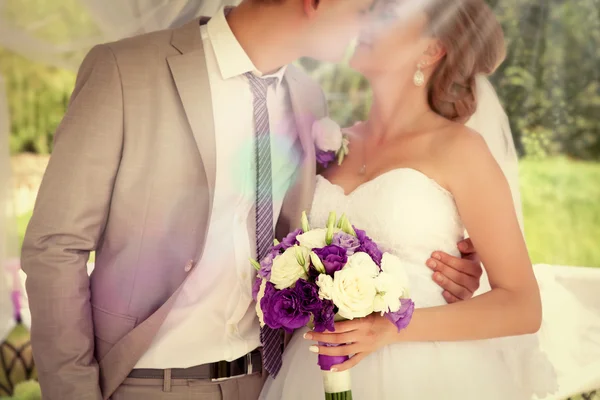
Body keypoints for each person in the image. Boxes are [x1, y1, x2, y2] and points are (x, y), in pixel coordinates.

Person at [21, 1, 484, 399]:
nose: (365, 22)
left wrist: (431, 265)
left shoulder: (309, 99)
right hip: (144, 382)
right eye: (360, 8)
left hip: (272, 382)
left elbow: (318, 231)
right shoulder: (126, 72)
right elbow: (55, 248)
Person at [260, 0, 557, 399]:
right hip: (314, 369)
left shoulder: (460, 149)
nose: (365, 22)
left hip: (422, 374)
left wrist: (391, 327)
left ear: (432, 50)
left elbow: (523, 306)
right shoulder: (331, 142)